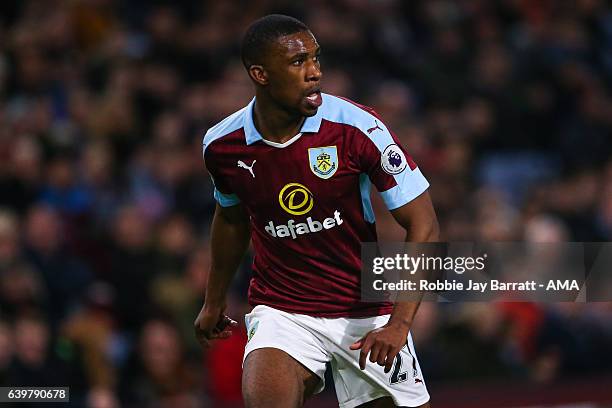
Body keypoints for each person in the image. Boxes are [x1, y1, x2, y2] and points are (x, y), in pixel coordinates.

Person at [194, 14, 439, 408]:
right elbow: (231, 217)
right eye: (298, 62)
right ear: (260, 74)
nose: (315, 73)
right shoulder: (222, 146)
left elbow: (424, 224)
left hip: (367, 309)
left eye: (315, 58)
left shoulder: (357, 128)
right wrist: (214, 299)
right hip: (283, 309)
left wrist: (399, 323)